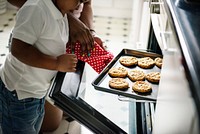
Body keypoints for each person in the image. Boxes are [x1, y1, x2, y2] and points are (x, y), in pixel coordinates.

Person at [6, 0, 106, 133]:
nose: (79, 4)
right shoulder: (37, 9)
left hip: (41, 84)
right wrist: (56, 63)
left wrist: (89, 36)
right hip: (23, 88)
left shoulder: (62, 12)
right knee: (37, 125)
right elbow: (19, 49)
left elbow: (87, 4)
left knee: (51, 118)